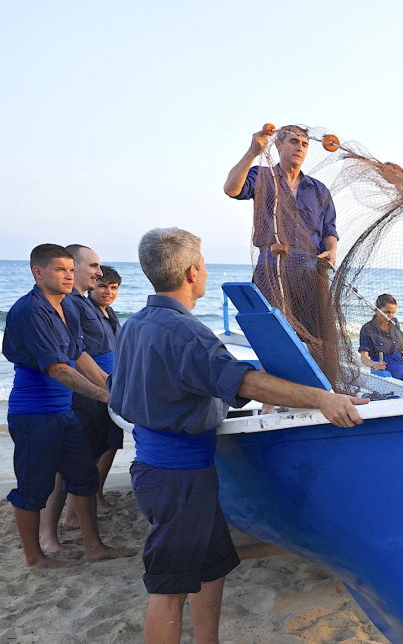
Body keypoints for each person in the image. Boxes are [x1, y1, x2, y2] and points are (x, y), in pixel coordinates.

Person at [108, 228, 367, 644]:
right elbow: (243, 381)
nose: (206, 269)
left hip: (167, 467)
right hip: (177, 475)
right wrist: (322, 398)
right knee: (169, 586)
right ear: (193, 272)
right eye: (205, 262)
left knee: (211, 567)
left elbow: (125, 391)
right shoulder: (186, 332)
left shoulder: (135, 324)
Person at [2, 244, 129, 568]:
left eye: (71, 269)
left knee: (84, 477)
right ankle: (35, 557)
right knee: (34, 487)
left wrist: (113, 389)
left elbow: (79, 356)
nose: (68, 275)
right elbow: (58, 368)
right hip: (34, 414)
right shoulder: (30, 310)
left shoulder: (69, 307)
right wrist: (105, 397)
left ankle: (94, 547)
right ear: (38, 272)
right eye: (60, 270)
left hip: (64, 411)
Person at [222, 124, 339, 383]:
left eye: (304, 144)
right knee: (270, 339)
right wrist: (253, 151)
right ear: (278, 145)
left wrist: (331, 250)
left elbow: (329, 229)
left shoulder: (319, 190)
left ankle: (316, 394)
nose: (299, 148)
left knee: (316, 337)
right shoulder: (262, 176)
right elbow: (231, 188)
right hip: (270, 270)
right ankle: (270, 404)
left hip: (310, 273)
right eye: (294, 142)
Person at [49, 248, 122, 538]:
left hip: (104, 388)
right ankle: (65, 520)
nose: (100, 278)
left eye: (112, 286)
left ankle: (88, 503)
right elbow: (75, 356)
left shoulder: (103, 311)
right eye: (95, 271)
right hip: (86, 393)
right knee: (77, 460)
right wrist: (103, 388)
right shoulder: (73, 305)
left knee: (106, 445)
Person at [87, 265, 125, 510]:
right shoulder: (84, 313)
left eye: (113, 287)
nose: (108, 292)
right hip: (94, 390)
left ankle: (98, 493)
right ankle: (90, 497)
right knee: (95, 446)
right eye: (102, 286)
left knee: (112, 443)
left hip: (114, 388)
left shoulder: (110, 314)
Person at [358, 294, 403, 379]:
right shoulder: (367, 329)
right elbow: (364, 357)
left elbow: (402, 335)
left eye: (393, 312)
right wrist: (374, 364)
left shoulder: (394, 322)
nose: (390, 316)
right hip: (386, 368)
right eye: (387, 312)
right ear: (377, 310)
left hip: (401, 363)